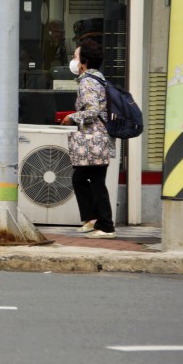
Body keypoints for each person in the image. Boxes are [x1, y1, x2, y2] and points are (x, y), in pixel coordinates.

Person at [61, 38, 116, 238]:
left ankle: (105, 226)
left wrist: (72, 117)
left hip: (94, 139)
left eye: (75, 56)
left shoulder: (88, 82)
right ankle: (93, 220)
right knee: (88, 179)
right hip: (99, 138)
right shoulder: (98, 78)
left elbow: (92, 111)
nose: (73, 60)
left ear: (84, 62)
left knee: (89, 181)